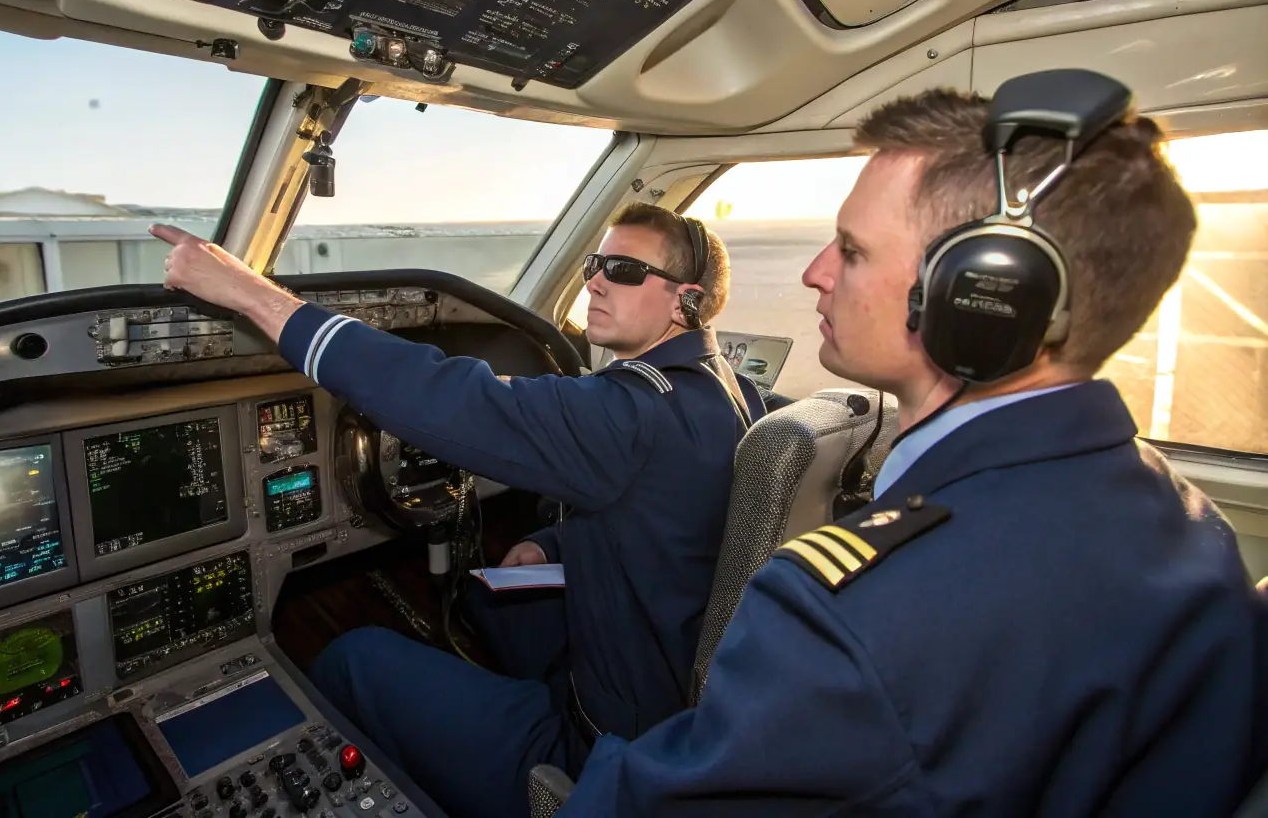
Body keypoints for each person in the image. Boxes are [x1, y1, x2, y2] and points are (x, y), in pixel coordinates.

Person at [555, 80, 1268, 816]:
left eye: (852, 251)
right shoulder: (1188, 521)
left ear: (981, 297)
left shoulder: (851, 619)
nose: (814, 273)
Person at [151, 202, 764, 818]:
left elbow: (446, 398)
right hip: (665, 682)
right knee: (479, 596)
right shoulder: (729, 387)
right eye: (595, 263)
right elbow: (671, 518)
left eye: (625, 270)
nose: (596, 281)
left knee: (353, 657)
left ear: (687, 301)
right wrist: (555, 546)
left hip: (606, 750)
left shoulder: (632, 414)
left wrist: (246, 292)